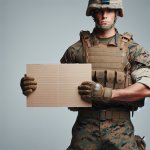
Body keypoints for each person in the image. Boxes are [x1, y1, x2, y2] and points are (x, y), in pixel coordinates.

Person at [20, 0, 150, 149]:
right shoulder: (75, 50)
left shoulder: (134, 50)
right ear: (92, 13)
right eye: (99, 10)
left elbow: (147, 88)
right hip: (85, 130)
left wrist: (108, 93)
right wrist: (32, 87)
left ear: (117, 13)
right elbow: (58, 88)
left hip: (121, 131)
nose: (104, 15)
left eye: (109, 10)